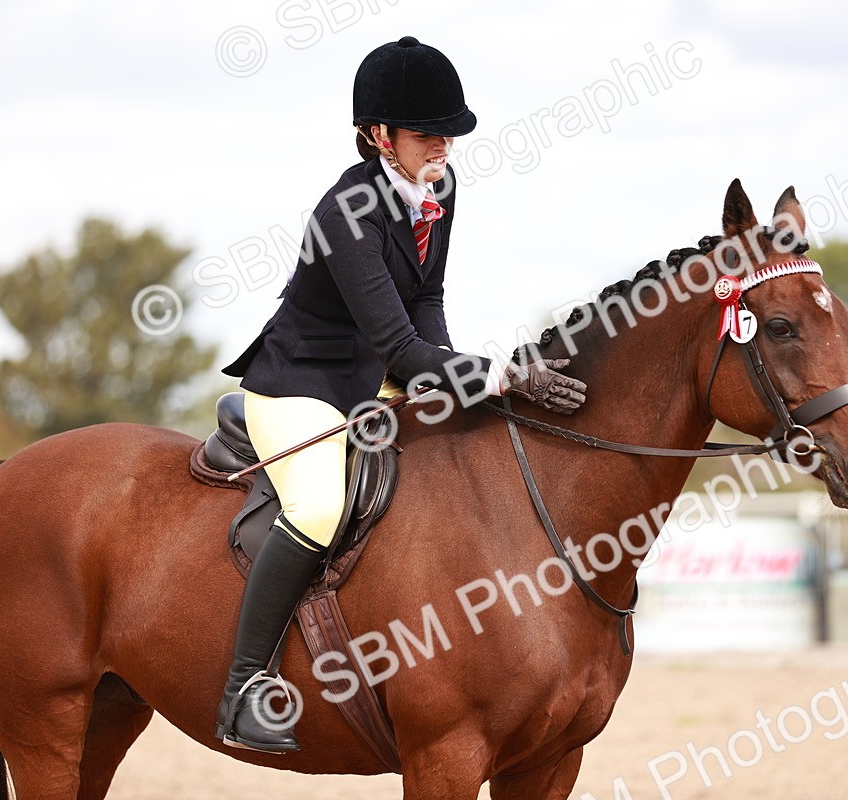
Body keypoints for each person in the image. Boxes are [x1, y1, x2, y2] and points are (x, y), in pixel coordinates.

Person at [214, 36, 587, 754]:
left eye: (448, 132)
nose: (442, 147)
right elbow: (402, 351)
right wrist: (498, 372)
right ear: (379, 135)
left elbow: (428, 303)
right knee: (320, 507)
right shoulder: (346, 212)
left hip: (383, 373)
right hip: (304, 382)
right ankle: (242, 687)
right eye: (426, 134)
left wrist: (454, 367)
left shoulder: (438, 189)